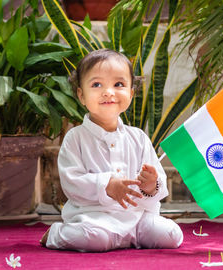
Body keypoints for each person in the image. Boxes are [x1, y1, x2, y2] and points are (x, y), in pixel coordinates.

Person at [40, 49, 183, 252]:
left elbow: (156, 183)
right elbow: (72, 182)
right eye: (97, 85)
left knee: (172, 235)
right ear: (81, 95)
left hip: (137, 218)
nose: (109, 92)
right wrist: (106, 185)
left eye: (119, 84)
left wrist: (151, 185)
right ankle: (56, 233)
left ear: (131, 93)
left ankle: (129, 238)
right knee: (95, 239)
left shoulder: (139, 138)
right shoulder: (75, 138)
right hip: (95, 219)